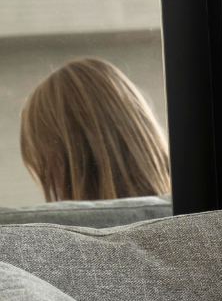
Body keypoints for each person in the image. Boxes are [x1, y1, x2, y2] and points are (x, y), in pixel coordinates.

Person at [19, 56, 170, 202]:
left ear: (64, 161)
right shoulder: (185, 209)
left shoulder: (72, 224)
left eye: (44, 164)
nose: (50, 185)